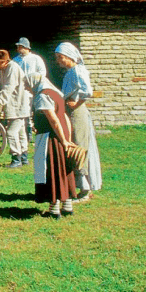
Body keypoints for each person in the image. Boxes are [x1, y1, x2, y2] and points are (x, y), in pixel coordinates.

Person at [24, 72, 77, 219]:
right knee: (64, 169)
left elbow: (54, 120)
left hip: (49, 138)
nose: (26, 87)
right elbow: (64, 116)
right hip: (60, 137)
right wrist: (67, 137)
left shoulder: (42, 96)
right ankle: (67, 205)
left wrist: (63, 139)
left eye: (27, 84)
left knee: (51, 171)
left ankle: (54, 209)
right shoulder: (55, 92)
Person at [55, 42, 102, 202]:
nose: (59, 61)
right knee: (73, 145)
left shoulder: (78, 70)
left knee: (79, 146)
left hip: (77, 113)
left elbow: (87, 90)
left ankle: (85, 189)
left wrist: (77, 103)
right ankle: (77, 185)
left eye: (61, 57)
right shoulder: (70, 72)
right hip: (70, 111)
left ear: (69, 56)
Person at [0, 49, 29, 168]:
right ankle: (24, 157)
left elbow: (9, 88)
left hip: (17, 104)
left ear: (2, 61)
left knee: (11, 132)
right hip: (15, 104)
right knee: (21, 132)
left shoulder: (12, 68)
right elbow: (1, 86)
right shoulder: (4, 69)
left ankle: (16, 159)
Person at [13, 38, 46, 143]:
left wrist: (34, 82)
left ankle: (36, 131)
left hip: (33, 89)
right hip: (20, 90)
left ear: (26, 47)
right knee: (24, 112)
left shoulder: (36, 59)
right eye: (18, 47)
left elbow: (42, 72)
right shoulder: (15, 60)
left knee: (35, 111)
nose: (18, 49)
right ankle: (26, 134)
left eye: (20, 47)